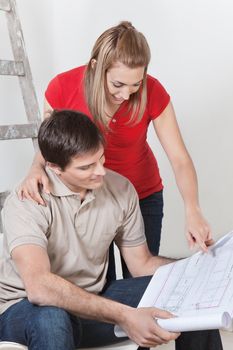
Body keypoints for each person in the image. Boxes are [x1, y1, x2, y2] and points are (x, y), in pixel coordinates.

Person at [0, 110, 222, 350]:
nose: (100, 172)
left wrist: (202, 268)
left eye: (101, 158)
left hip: (91, 303)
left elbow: (141, 264)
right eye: (86, 167)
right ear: (54, 168)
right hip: (24, 311)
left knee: (190, 294)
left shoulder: (120, 189)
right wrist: (124, 315)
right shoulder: (27, 201)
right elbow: (39, 288)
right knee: (51, 316)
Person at [18, 21, 212, 279]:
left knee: (143, 282)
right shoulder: (62, 87)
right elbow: (51, 143)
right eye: (118, 84)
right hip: (89, 201)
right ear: (97, 67)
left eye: (135, 84)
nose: (127, 94)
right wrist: (34, 168)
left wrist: (193, 210)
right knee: (101, 286)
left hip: (141, 196)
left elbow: (179, 158)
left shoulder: (153, 90)